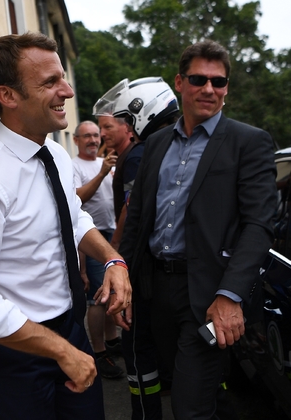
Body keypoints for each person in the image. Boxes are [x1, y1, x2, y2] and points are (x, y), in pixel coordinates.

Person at [0, 32, 132, 420]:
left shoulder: (57, 155)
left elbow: (74, 218)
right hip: (15, 355)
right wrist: (61, 351)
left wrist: (113, 261)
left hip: (70, 329)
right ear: (7, 96)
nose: (67, 91)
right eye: (50, 82)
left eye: (62, 78)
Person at [117, 40, 277, 419]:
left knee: (189, 405)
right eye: (199, 79)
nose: (209, 89)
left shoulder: (249, 142)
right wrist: (123, 278)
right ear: (179, 82)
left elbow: (258, 225)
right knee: (193, 392)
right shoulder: (155, 145)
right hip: (155, 291)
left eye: (218, 82)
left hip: (208, 295)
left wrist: (230, 295)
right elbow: (138, 220)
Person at [94, 77, 180, 419]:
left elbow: (132, 210)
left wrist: (115, 257)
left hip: (143, 268)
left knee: (137, 350)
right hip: (167, 273)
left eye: (126, 120)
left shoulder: (140, 153)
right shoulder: (174, 146)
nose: (123, 128)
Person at [71, 121, 124, 380]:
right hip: (90, 237)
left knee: (111, 292)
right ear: (76, 140)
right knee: (97, 297)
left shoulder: (105, 161)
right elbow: (77, 199)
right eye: (87, 136)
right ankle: (99, 352)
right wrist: (102, 173)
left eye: (95, 135)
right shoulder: (74, 165)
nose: (93, 140)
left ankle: (113, 341)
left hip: (111, 234)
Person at [94, 94, 135, 251]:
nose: (102, 134)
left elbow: (129, 204)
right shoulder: (124, 156)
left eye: (108, 127)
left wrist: (115, 243)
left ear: (126, 127)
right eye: (101, 128)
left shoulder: (132, 156)